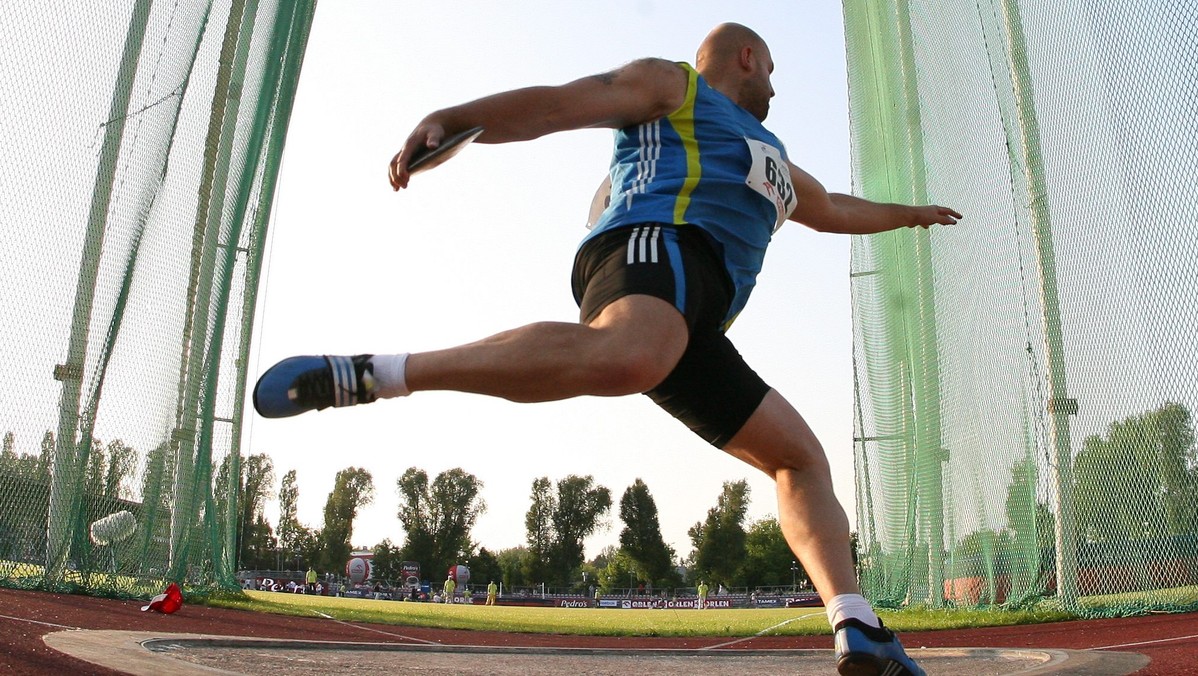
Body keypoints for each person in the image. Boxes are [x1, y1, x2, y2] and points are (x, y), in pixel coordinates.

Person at [254, 23, 958, 676]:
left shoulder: (773, 159)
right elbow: (558, 105)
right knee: (628, 355)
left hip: (695, 320)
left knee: (798, 457)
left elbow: (834, 207)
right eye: (773, 70)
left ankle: (856, 623)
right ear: (747, 57)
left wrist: (911, 217)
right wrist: (455, 119)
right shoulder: (673, 87)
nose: (776, 86)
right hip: (652, 249)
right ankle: (373, 373)